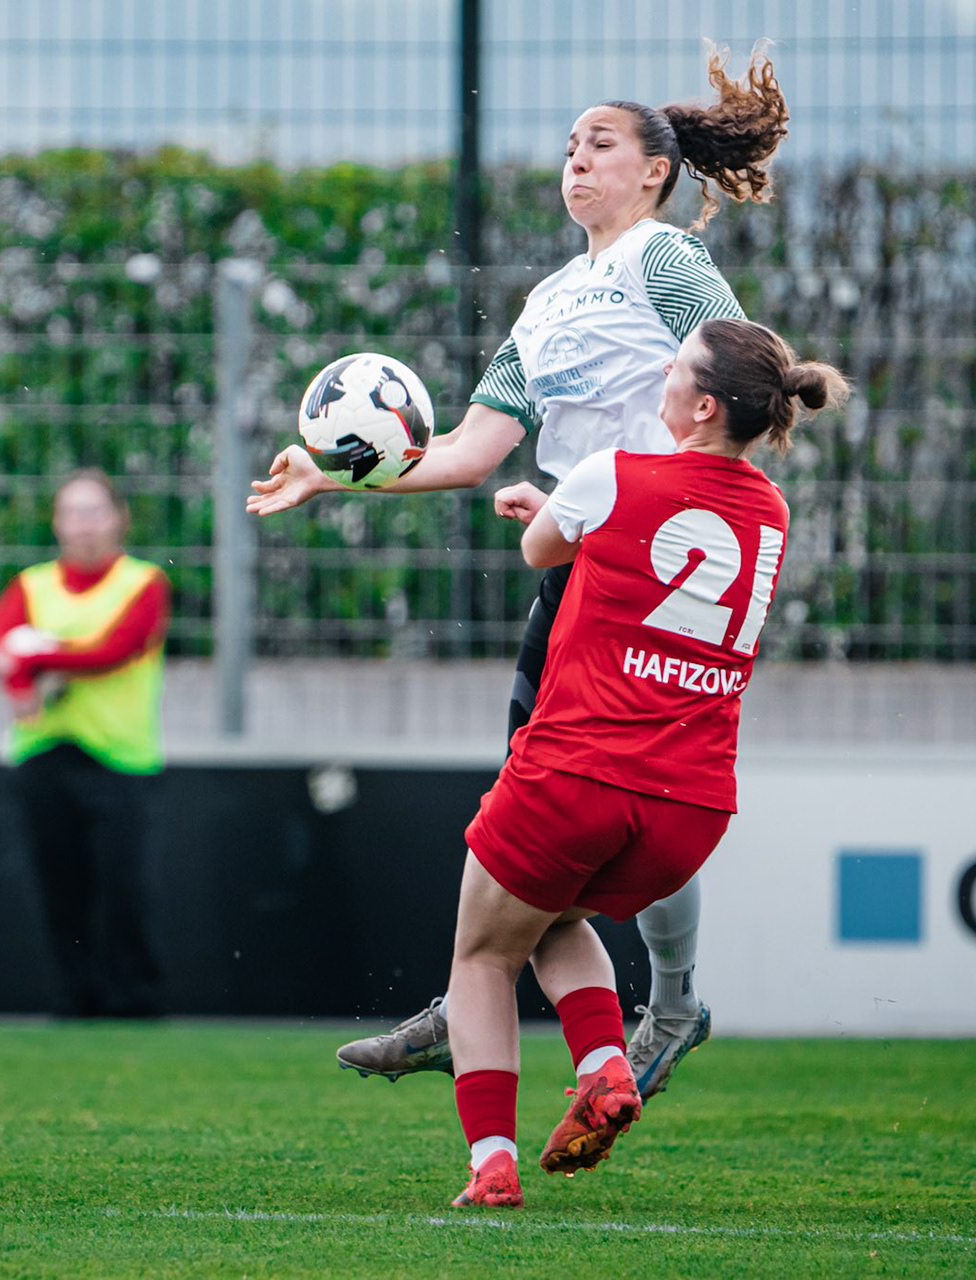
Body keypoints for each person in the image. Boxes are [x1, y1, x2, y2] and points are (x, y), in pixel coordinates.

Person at [248, 44, 792, 1095]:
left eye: (600, 144)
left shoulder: (666, 263)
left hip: (654, 575)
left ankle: (646, 997)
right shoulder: (545, 303)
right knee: (546, 803)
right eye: (567, 147)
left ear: (653, 171)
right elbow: (466, 449)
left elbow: (741, 384)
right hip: (575, 568)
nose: (575, 161)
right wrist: (331, 473)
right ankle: (506, 989)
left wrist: (677, 516)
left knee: (613, 798)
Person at [448, 317, 849, 1207]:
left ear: (701, 405)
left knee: (480, 957)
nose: (660, 379)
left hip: (577, 771)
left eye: (674, 370)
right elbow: (661, 564)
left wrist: (554, 511)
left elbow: (539, 550)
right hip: (690, 805)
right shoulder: (772, 512)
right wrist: (573, 517)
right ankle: (603, 1067)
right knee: (550, 920)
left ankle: (491, 1164)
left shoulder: (611, 474)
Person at [0, 468, 169, 1018]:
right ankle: (74, 1000)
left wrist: (35, 658)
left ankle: (135, 1001)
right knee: (60, 888)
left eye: (94, 512)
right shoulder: (32, 585)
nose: (83, 525)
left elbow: (115, 650)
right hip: (43, 755)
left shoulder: (143, 582)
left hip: (121, 759)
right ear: (57, 522)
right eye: (72, 513)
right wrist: (15, 679)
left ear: (118, 519)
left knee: (125, 890)